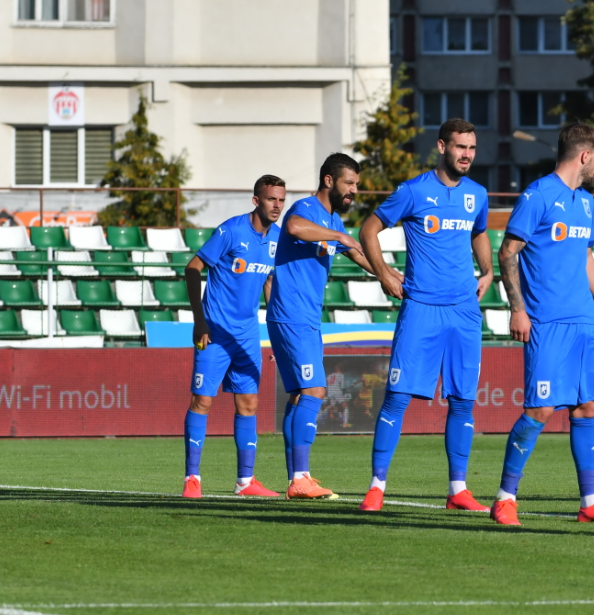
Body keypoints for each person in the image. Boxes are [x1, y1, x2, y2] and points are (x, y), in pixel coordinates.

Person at [488, 123, 594, 526]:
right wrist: (517, 308)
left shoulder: (585, 202)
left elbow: (586, 258)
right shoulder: (538, 194)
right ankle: (505, 497)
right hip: (547, 321)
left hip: (583, 321)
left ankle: (590, 502)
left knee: (588, 406)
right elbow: (508, 250)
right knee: (541, 408)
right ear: (584, 155)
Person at [358, 119, 495, 512]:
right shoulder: (414, 191)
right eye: (459, 147)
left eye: (471, 147)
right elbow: (369, 228)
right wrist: (384, 272)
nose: (466, 154)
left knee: (463, 401)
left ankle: (458, 490)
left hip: (464, 312)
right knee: (398, 397)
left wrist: (487, 271)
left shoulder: (477, 194)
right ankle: (376, 486)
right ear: (441, 146)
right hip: (420, 308)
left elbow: (479, 232)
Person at [267, 153, 382, 500]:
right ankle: (300, 478)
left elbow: (359, 253)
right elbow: (293, 228)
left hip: (306, 319)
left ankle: (298, 478)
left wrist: (390, 276)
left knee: (300, 395)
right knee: (315, 391)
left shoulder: (332, 220)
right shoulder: (304, 208)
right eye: (350, 183)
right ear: (329, 181)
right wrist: (339, 237)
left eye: (357, 185)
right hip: (292, 315)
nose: (354, 191)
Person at [181, 175, 286, 499]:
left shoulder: (278, 239)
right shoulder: (231, 230)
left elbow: (270, 284)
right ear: (256, 200)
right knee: (203, 400)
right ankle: (192, 479)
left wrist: (279, 330)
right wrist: (200, 322)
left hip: (247, 336)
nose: (277, 206)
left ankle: (245, 482)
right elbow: (192, 268)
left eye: (281, 200)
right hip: (214, 333)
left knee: (249, 403)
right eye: (271, 199)